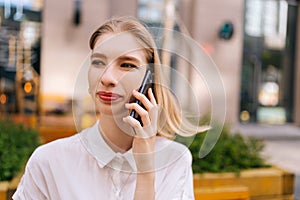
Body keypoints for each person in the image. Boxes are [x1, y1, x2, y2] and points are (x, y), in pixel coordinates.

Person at [13, 16, 207, 200]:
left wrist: (146, 172)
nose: (107, 78)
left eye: (126, 65)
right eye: (98, 62)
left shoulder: (175, 160)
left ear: (149, 80)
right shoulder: (49, 161)